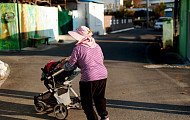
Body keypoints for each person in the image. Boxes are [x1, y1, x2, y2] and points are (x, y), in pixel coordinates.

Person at [62, 26, 109, 120]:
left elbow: (71, 65)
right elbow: (101, 59)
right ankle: (104, 117)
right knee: (99, 98)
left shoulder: (78, 49)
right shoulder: (96, 46)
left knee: (87, 103)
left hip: (89, 77)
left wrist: (63, 66)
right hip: (102, 74)